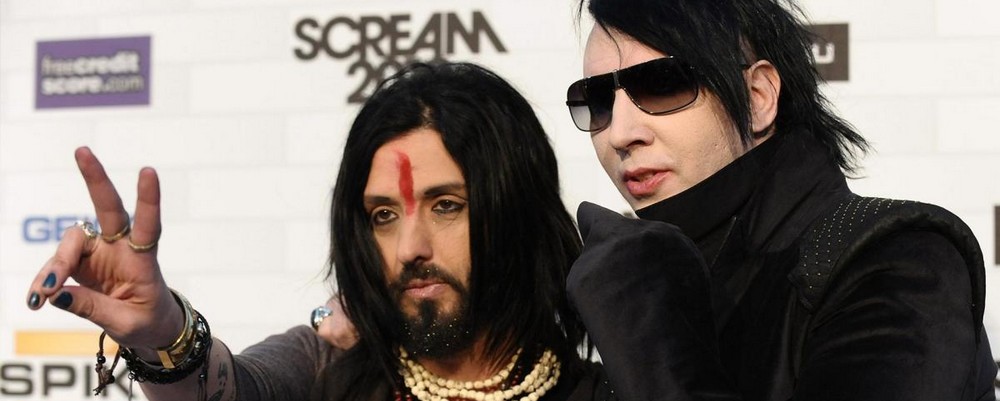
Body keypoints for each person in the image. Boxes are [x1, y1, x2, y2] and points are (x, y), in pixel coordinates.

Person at [25, 62, 612, 401]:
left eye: (446, 206)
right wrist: (165, 334)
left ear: (517, 208)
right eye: (383, 216)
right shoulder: (326, 367)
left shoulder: (613, 387)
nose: (410, 249)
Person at [563, 0, 997, 400]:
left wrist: (653, 347)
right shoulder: (651, 271)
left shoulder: (895, 257)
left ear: (758, 97)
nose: (620, 134)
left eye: (662, 85)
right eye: (597, 101)